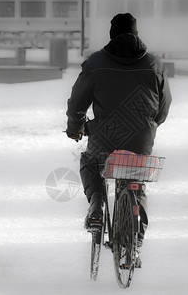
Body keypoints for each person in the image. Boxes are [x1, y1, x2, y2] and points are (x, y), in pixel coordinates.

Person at [65, 13, 172, 252]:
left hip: (104, 140)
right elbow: (163, 108)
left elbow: (76, 105)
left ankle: (96, 205)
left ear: (111, 35)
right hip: (140, 140)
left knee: (91, 164)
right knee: (135, 181)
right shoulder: (154, 65)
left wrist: (76, 129)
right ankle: (135, 242)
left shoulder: (95, 63)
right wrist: (150, 125)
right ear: (136, 34)